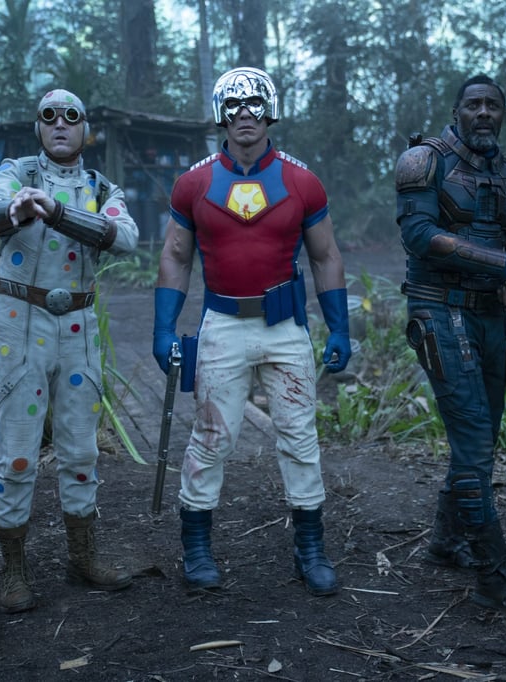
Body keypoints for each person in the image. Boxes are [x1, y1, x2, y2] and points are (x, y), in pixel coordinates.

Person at [152, 67, 351, 596]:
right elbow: (175, 256)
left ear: (271, 111)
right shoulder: (193, 182)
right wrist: (162, 327)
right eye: (235, 105)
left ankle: (310, 547)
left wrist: (339, 327)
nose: (245, 114)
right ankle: (196, 546)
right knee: (212, 436)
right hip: (222, 326)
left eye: (255, 104)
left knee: (299, 436)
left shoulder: (301, 180)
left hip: (286, 327)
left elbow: (326, 254)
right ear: (221, 113)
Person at [395, 74, 506, 619]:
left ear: (503, 113)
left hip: (490, 316)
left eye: (493, 105)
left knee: (482, 436)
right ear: (457, 111)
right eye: (474, 105)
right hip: (439, 310)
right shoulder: (425, 162)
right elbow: (420, 236)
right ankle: (495, 576)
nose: (484, 113)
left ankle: (447, 541)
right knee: (473, 440)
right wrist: (504, 267)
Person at [0, 88, 140, 613]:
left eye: (72, 116)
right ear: (39, 127)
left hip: (78, 326)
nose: (61, 124)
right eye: (50, 116)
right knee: (18, 449)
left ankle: (82, 554)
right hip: (19, 320)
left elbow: (125, 237)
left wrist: (58, 212)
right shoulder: (17, 171)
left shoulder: (99, 185)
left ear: (85, 128)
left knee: (81, 447)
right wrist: (19, 209)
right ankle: (13, 568)